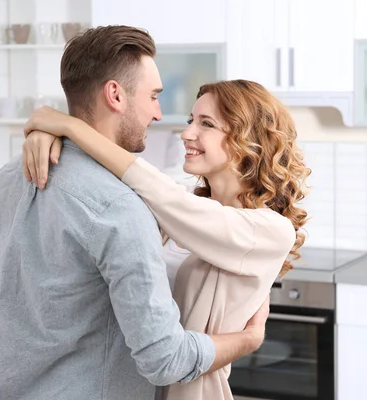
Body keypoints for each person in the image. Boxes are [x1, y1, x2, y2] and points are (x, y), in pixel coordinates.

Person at [0, 25, 270, 400]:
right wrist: (248, 339)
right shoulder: (119, 207)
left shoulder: (7, 178)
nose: (158, 113)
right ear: (115, 95)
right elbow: (165, 360)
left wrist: (59, 128)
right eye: (153, 96)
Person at [22, 79, 311, 400]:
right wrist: (47, 133)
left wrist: (68, 126)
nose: (187, 134)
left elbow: (157, 189)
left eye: (207, 124)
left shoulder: (269, 230)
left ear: (248, 138)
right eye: (191, 121)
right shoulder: (182, 212)